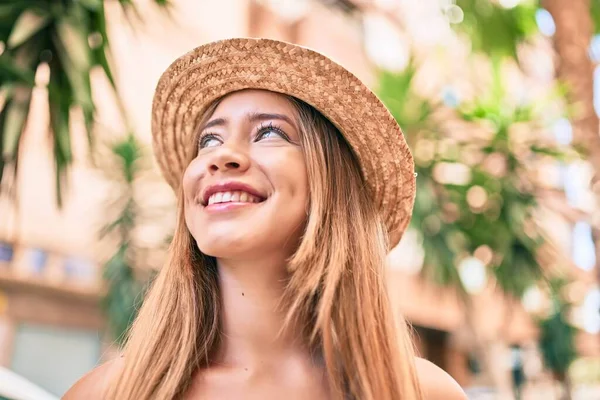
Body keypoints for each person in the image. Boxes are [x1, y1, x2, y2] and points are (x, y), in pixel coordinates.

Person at [64, 38, 466, 400]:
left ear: (332, 186)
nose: (221, 156)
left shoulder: (422, 393)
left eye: (270, 133)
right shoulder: (106, 393)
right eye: (209, 140)